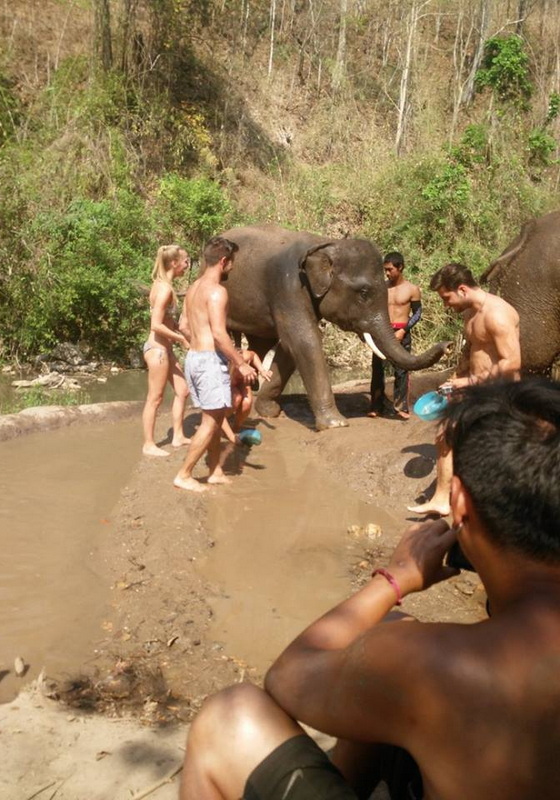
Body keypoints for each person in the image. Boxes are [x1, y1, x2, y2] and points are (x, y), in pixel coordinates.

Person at [180, 379, 560, 800]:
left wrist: (396, 577)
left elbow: (287, 678)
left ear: (459, 503)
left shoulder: (431, 663)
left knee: (229, 717)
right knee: (389, 634)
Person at [408, 262, 520, 516]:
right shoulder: (471, 314)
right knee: (446, 436)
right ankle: (444, 499)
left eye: (447, 298)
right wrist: (457, 378)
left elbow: (512, 361)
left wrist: (469, 383)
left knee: (489, 447)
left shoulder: (497, 314)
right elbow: (474, 353)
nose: (446, 305)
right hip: (478, 390)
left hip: (500, 394)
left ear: (461, 289)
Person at [173, 237, 256, 492]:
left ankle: (214, 471)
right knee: (210, 421)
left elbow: (184, 326)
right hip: (209, 362)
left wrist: (197, 345)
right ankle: (184, 475)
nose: (232, 268)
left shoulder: (194, 288)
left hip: (195, 359)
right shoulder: (218, 292)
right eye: (232, 263)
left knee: (216, 416)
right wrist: (240, 363)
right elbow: (220, 335)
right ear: (223, 261)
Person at [142, 244, 191, 457]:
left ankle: (178, 436)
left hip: (166, 349)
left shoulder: (166, 286)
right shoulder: (162, 289)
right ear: (173, 263)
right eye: (186, 261)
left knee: (183, 390)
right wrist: (180, 339)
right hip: (158, 351)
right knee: (155, 398)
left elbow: (168, 321)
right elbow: (156, 324)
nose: (187, 265)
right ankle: (149, 444)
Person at [369, 252, 422, 420]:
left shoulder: (412, 289)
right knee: (377, 370)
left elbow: (417, 313)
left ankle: (401, 407)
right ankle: (376, 406)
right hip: (382, 332)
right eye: (385, 270)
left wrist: (403, 330)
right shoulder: (382, 288)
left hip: (401, 331)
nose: (387, 273)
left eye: (390, 269)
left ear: (400, 267)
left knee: (401, 370)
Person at [221, 348, 273, 445]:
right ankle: (221, 422)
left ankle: (236, 427)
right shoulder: (225, 361)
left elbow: (253, 355)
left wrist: (262, 370)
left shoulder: (246, 356)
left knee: (247, 403)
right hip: (228, 383)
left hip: (242, 381)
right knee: (236, 399)